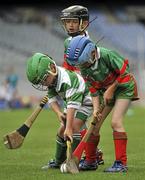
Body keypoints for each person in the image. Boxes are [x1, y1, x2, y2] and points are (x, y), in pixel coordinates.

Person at [42, 5, 104, 170]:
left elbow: (92, 70)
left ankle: (90, 158)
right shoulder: (68, 41)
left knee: (75, 127)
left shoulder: (88, 44)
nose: (70, 25)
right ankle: (91, 155)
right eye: (67, 21)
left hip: (87, 91)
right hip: (73, 89)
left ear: (83, 23)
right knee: (70, 127)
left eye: (73, 22)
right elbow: (67, 67)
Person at [66, 35, 139, 172]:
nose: (83, 67)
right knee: (93, 126)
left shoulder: (106, 55)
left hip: (124, 88)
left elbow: (125, 72)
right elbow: (93, 91)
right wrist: (95, 110)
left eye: (84, 63)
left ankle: (121, 164)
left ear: (92, 52)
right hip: (105, 92)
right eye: (80, 64)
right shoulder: (84, 66)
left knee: (116, 122)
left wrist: (111, 88)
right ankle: (90, 161)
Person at [26, 52, 101, 170]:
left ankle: (74, 161)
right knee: (62, 131)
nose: (44, 84)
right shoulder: (52, 79)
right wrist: (59, 114)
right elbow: (52, 99)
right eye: (40, 82)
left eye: (44, 79)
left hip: (85, 101)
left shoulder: (67, 80)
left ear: (52, 67)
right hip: (71, 102)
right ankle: (58, 161)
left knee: (74, 127)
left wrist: (69, 128)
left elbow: (72, 105)